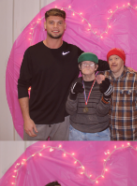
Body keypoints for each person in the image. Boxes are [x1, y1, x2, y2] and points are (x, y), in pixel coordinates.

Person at [17, 8, 109, 140]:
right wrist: (26, 119)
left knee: (62, 158)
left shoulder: (73, 52)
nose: (55, 26)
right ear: (45, 25)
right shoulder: (32, 53)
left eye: (59, 23)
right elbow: (22, 85)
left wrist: (118, 66)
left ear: (64, 26)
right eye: (51, 22)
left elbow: (95, 63)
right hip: (36, 121)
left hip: (64, 122)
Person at [65, 52, 113, 140]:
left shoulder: (102, 85)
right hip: (76, 133)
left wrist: (106, 97)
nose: (87, 66)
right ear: (79, 67)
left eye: (91, 64)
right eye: (84, 64)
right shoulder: (75, 84)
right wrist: (72, 96)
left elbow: (102, 112)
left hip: (99, 133)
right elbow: (70, 111)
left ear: (96, 67)